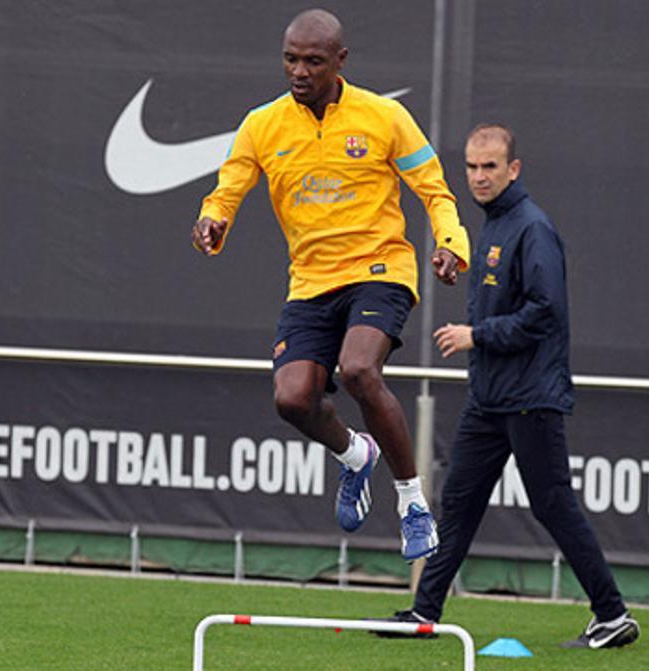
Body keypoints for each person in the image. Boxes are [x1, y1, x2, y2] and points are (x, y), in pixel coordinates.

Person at [191, 8, 470, 561]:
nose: (299, 71)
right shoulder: (263, 124)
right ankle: (353, 456)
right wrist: (212, 220)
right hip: (311, 281)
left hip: (379, 270)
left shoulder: (385, 117)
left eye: (313, 61)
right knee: (292, 400)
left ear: (340, 62)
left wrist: (450, 243)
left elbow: (435, 191)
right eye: (291, 59)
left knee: (359, 369)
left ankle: (413, 503)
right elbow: (227, 191)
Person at [373, 124, 640, 648]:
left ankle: (612, 615)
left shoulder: (532, 228)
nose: (478, 176)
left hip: (530, 396)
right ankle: (426, 613)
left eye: (490, 166)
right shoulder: (492, 225)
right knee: (459, 502)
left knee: (552, 503)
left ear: (513, 169)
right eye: (471, 167)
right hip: (489, 398)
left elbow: (545, 312)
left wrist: (477, 334)